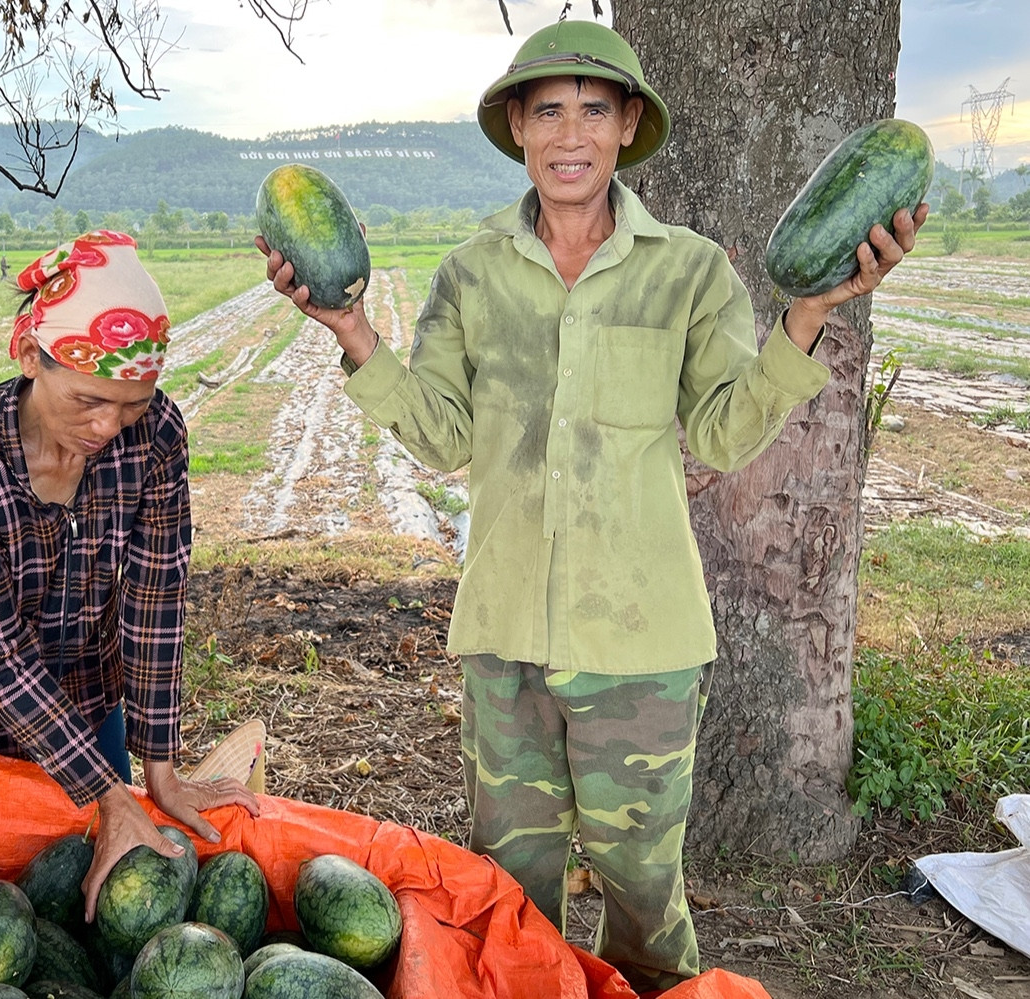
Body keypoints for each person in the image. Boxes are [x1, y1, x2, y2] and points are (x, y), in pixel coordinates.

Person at [258, 20, 925, 993]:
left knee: (644, 898)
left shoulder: (685, 271)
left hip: (638, 644)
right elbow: (443, 438)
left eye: (593, 110)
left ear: (624, 129)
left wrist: (811, 315)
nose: (569, 132)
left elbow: (722, 433)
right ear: (519, 131)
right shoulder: (470, 275)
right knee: (508, 897)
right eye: (547, 111)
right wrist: (352, 331)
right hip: (505, 639)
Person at [0, 230, 259, 920]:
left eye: (131, 404)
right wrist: (107, 791)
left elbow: (154, 597)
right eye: (88, 400)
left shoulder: (155, 437)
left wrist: (158, 771)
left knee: (88, 877)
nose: (107, 427)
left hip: (91, 697)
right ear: (32, 356)